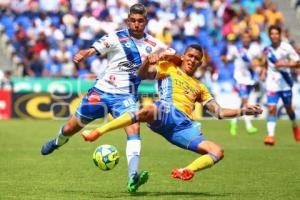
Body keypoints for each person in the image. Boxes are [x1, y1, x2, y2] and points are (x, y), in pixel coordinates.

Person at [40, 3, 173, 192]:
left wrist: (162, 56)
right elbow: (94, 49)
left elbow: (175, 58)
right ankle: (57, 142)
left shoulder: (155, 45)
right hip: (100, 92)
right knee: (71, 128)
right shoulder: (115, 37)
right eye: (133, 21)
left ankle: (132, 177)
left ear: (146, 22)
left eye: (140, 21)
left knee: (134, 128)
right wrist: (84, 54)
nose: (136, 24)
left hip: (125, 97)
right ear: (128, 20)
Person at [81, 44, 263, 181]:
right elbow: (141, 75)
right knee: (151, 109)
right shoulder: (169, 67)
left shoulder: (201, 87)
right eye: (190, 56)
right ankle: (98, 132)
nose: (192, 60)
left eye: (197, 58)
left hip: (184, 127)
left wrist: (243, 111)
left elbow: (219, 112)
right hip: (167, 111)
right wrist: (147, 61)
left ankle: (187, 170)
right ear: (183, 57)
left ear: (200, 63)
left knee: (217, 151)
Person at [263, 25, 300, 145]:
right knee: (272, 108)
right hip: (272, 84)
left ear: (280, 35)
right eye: (272, 33)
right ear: (269, 35)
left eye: (276, 33)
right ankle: (270, 136)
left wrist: (285, 65)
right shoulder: (267, 49)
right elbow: (266, 62)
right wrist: (263, 71)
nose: (274, 36)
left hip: (285, 83)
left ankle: (294, 125)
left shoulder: (287, 47)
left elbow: (298, 63)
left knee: (289, 109)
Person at [223, 32, 263, 136]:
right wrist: (225, 59)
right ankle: (249, 125)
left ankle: (233, 121)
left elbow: (260, 59)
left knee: (242, 103)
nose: (246, 40)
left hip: (250, 79)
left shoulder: (255, 49)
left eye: (248, 37)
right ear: (241, 39)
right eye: (244, 38)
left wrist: (259, 65)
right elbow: (228, 59)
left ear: (250, 39)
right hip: (240, 79)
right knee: (246, 102)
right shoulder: (236, 50)